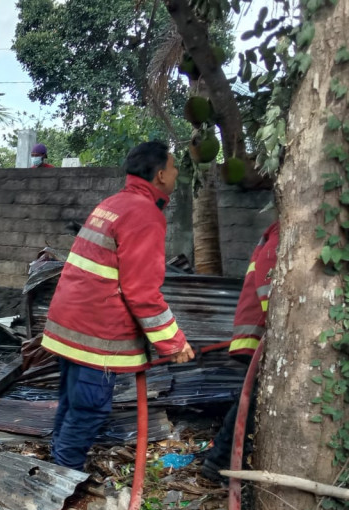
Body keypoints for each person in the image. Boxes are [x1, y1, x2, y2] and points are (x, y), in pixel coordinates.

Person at [41, 140, 195, 471]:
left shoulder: (113, 203)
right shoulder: (144, 215)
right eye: (173, 166)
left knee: (72, 404)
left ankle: (57, 469)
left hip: (72, 323)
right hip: (96, 332)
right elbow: (142, 291)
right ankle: (62, 478)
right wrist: (174, 343)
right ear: (159, 174)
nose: (177, 172)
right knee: (89, 409)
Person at [201, 220, 280, 483]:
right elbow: (267, 277)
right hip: (262, 334)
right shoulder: (284, 231)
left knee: (252, 400)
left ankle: (224, 460)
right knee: (252, 400)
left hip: (262, 334)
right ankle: (221, 462)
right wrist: (278, 323)